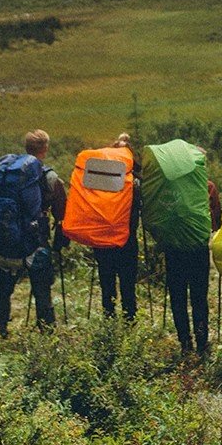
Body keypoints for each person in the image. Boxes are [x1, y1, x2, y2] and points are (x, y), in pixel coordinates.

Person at [0, 129, 67, 337]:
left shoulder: (5, 172)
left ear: (27, 148)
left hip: (4, 239)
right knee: (42, 289)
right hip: (35, 242)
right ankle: (47, 332)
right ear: (45, 149)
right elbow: (62, 211)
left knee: (4, 286)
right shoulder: (49, 176)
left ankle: (1, 327)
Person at [163, 150, 222, 357]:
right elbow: (216, 220)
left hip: (173, 249)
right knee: (199, 297)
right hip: (198, 249)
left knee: (177, 297)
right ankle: (202, 343)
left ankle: (184, 342)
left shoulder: (170, 186)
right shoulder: (208, 186)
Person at [91, 133, 140, 321]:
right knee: (128, 285)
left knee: (107, 284)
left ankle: (109, 321)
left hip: (103, 241)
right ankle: (130, 321)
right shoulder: (135, 182)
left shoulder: (98, 180)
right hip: (127, 241)